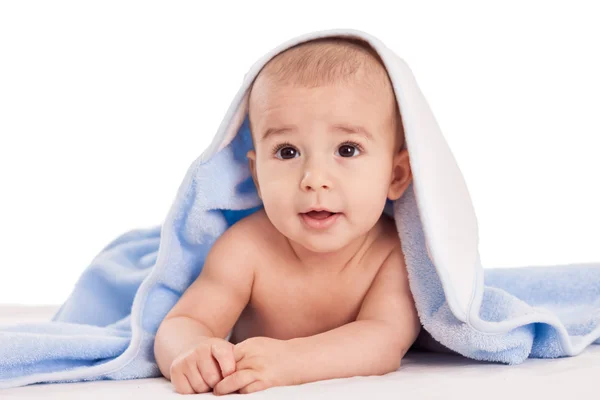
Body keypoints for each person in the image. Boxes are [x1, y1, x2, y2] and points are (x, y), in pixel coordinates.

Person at [153, 37, 421, 395]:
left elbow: (384, 341)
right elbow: (184, 321)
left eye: (347, 149)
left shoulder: (393, 254)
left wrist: (292, 361)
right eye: (287, 151)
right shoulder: (247, 249)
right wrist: (191, 351)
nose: (314, 180)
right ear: (257, 175)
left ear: (396, 175)